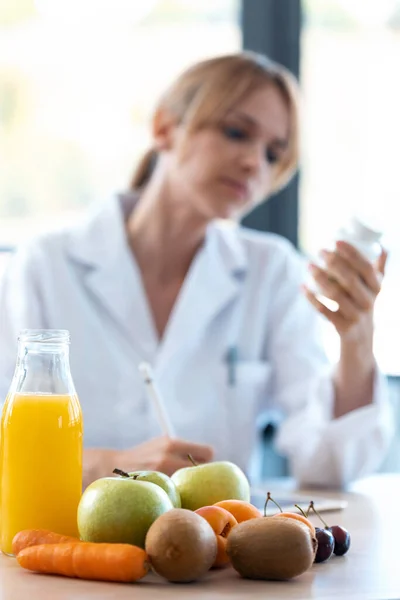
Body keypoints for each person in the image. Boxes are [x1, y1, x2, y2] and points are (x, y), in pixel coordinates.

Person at [0, 52, 394, 490]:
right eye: (236, 132)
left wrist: (356, 342)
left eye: (272, 153)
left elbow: (328, 468)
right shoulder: (44, 266)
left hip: (210, 553)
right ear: (165, 128)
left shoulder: (272, 272)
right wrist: (112, 465)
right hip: (63, 549)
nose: (253, 163)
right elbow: (7, 452)